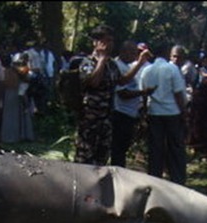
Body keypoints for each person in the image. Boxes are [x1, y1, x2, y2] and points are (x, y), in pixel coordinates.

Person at [74, 24, 151, 166]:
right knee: (85, 159)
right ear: (95, 42)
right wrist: (101, 59)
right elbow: (94, 83)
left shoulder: (112, 65)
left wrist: (139, 63)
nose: (109, 44)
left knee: (102, 158)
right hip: (90, 119)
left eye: (111, 41)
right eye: (105, 41)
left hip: (107, 119)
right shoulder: (87, 62)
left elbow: (122, 81)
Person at [139, 42, 187, 185]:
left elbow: (144, 94)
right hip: (172, 112)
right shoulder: (172, 69)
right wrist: (183, 112)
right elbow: (178, 93)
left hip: (154, 112)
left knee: (156, 147)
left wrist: (145, 113)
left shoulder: (147, 70)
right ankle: (177, 179)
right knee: (175, 147)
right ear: (167, 53)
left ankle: (154, 178)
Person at [110, 40, 154, 168]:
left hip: (129, 113)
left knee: (123, 147)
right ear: (124, 52)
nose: (136, 56)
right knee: (118, 149)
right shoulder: (118, 66)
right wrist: (143, 92)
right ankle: (117, 172)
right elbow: (122, 93)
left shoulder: (127, 66)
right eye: (134, 53)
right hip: (120, 112)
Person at [0, 55, 34, 144]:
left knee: (11, 116)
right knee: (13, 116)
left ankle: (11, 137)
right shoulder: (13, 71)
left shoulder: (9, 72)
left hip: (12, 94)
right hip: (13, 93)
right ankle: (14, 136)